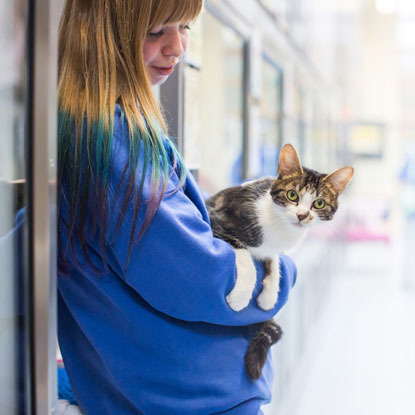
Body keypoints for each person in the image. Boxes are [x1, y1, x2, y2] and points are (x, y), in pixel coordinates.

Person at [57, 1, 297, 414]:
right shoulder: (119, 141)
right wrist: (284, 271)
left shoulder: (87, 135)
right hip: (196, 400)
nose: (177, 47)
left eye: (184, 27)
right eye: (156, 32)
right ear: (104, 36)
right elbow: (200, 279)